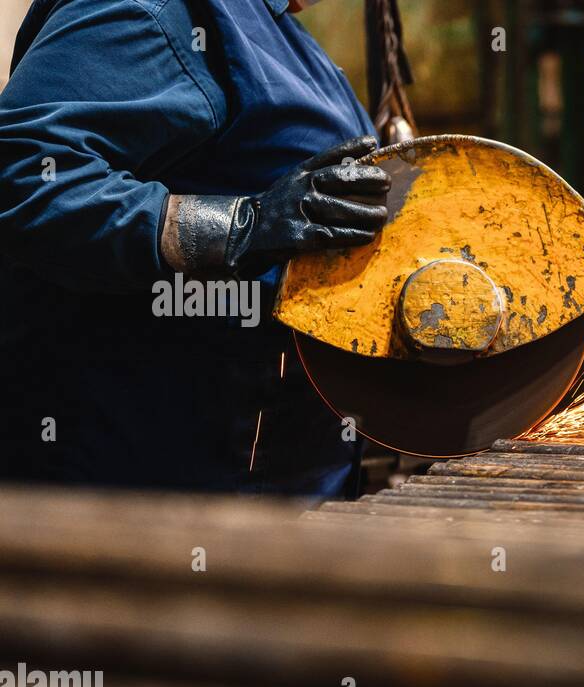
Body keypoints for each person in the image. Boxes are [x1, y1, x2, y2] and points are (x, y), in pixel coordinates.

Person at [0, 0, 391, 495]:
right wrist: (239, 226)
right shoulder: (161, 8)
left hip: (279, 482)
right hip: (148, 495)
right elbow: (23, 170)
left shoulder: (275, 29)